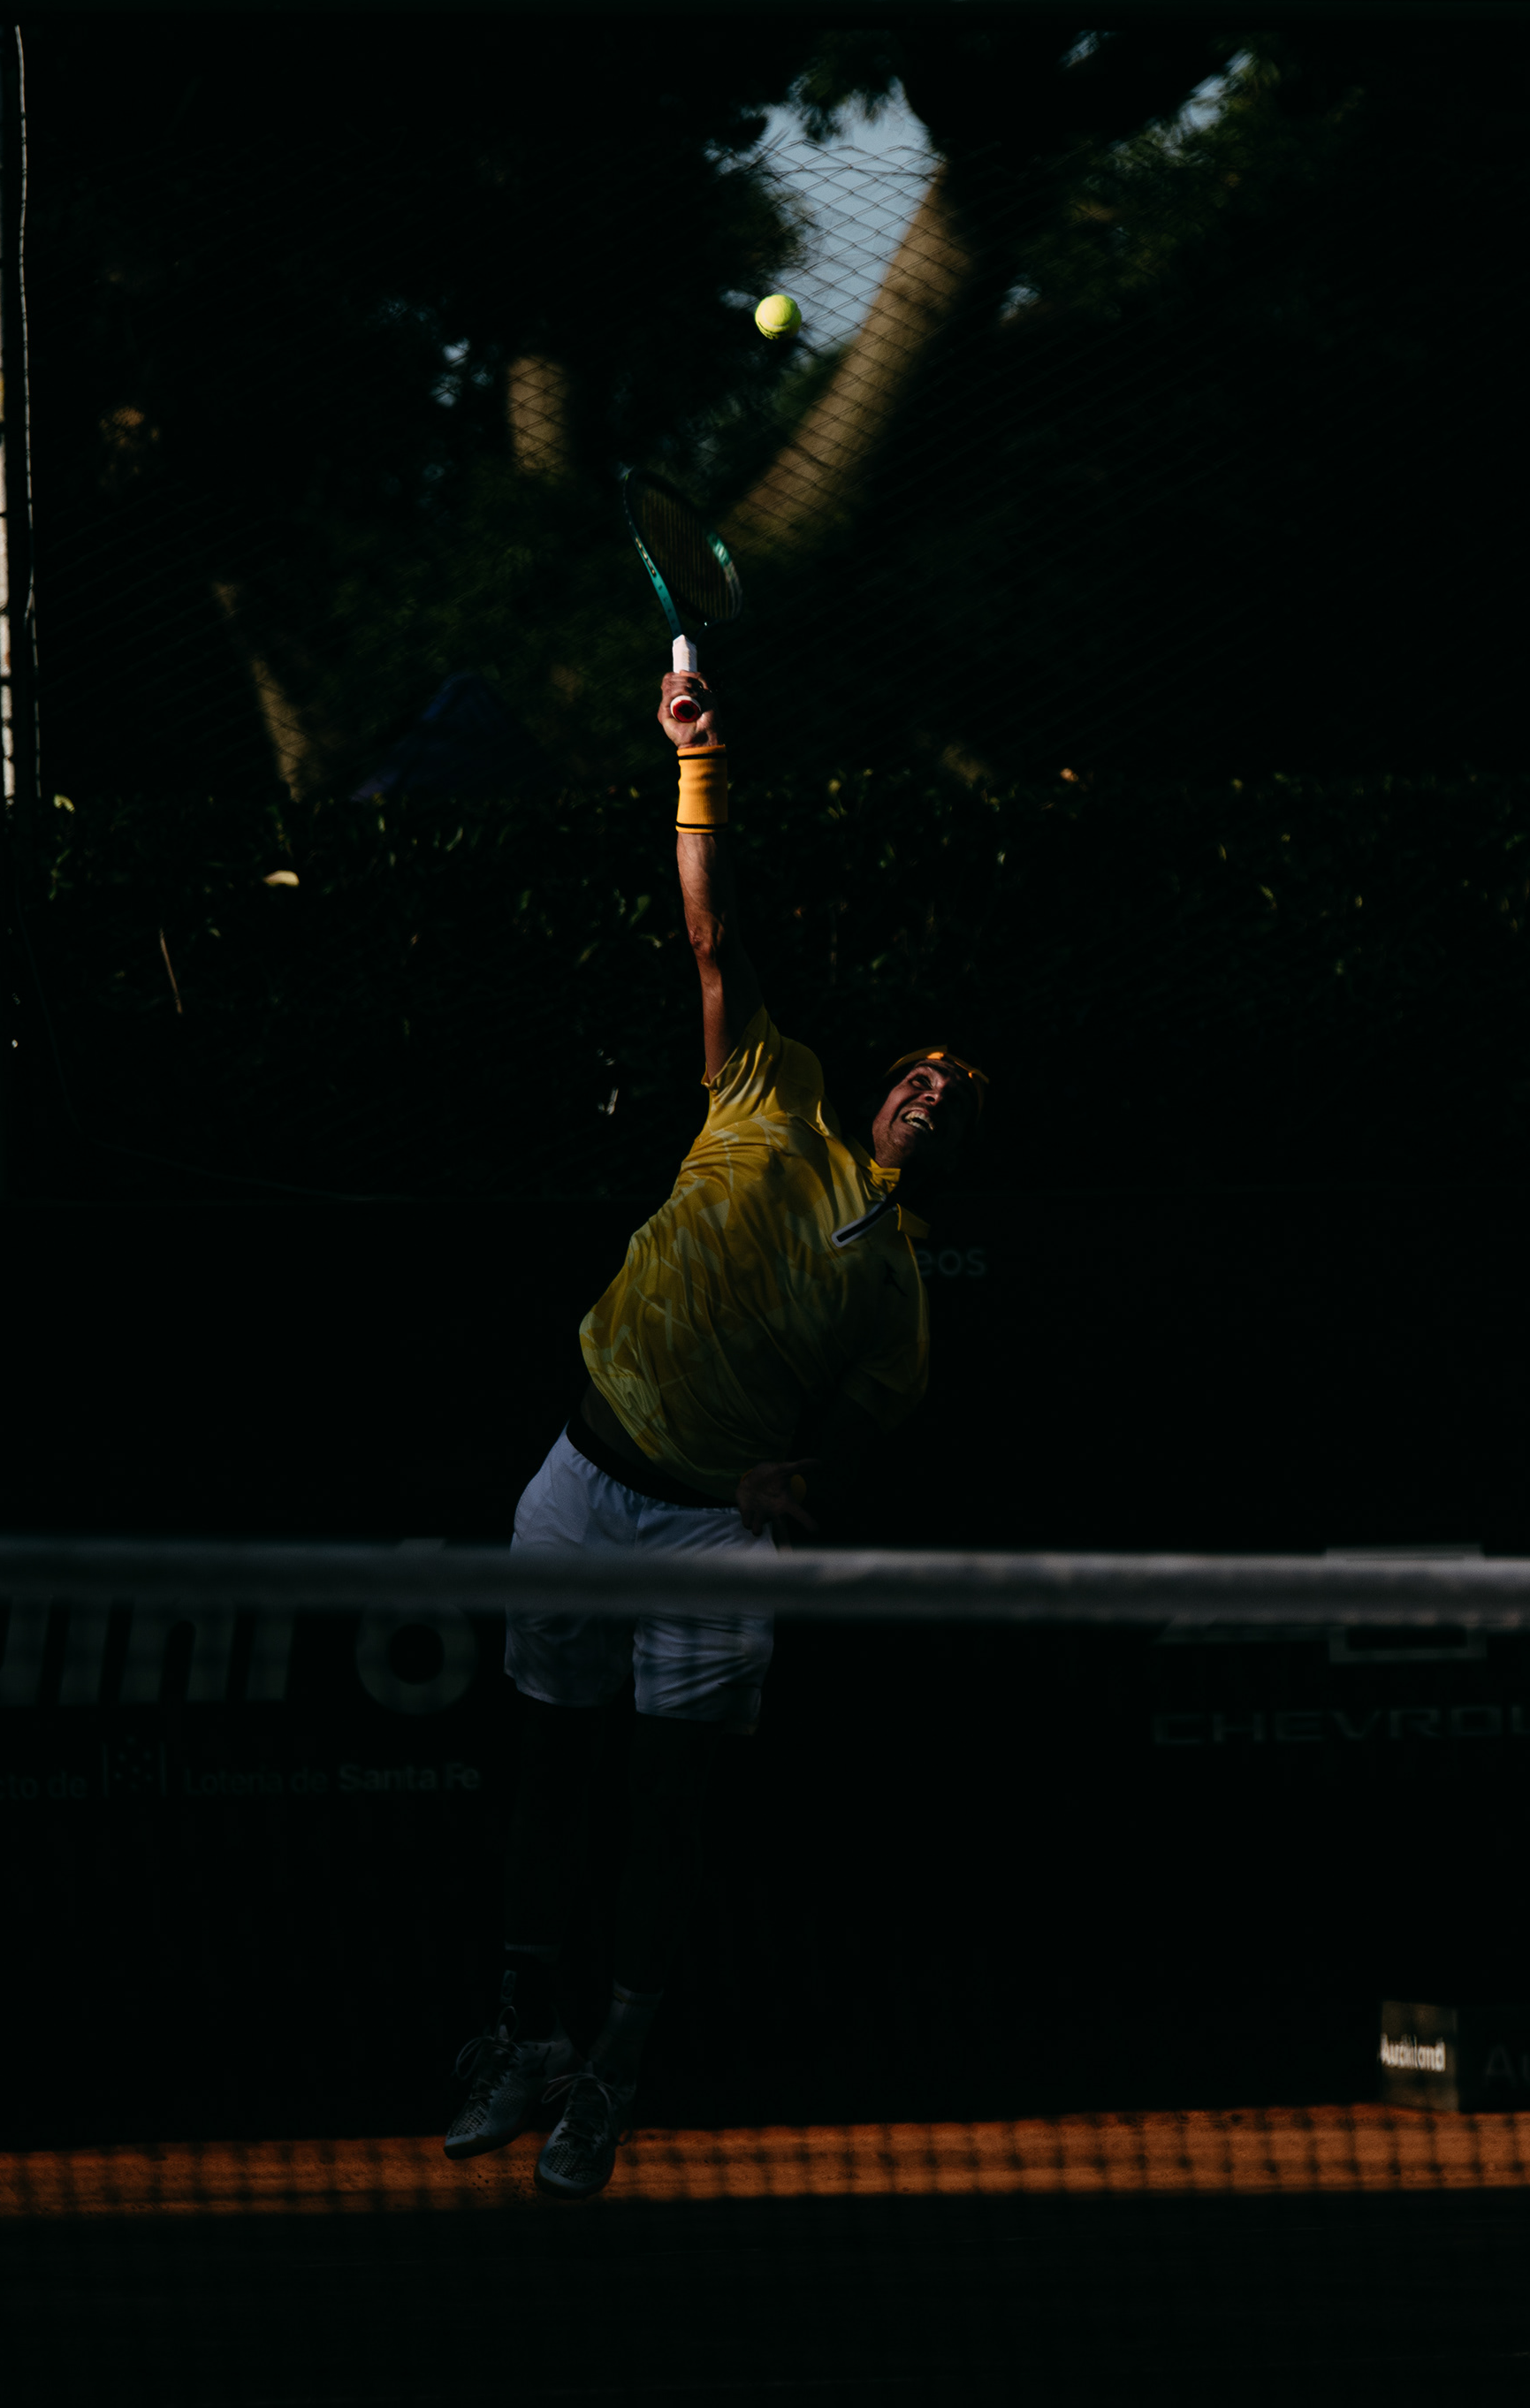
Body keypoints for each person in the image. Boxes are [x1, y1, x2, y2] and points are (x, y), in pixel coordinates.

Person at [444, 665, 987, 2200]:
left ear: (957, 1146)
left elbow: (851, 1451)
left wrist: (799, 1482)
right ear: (881, 1086)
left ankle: (613, 2071)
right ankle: (524, 2032)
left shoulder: (897, 1295)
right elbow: (713, 930)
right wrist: (700, 760)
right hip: (582, 1479)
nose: (932, 1091)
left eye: (957, 1097)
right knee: (551, 1764)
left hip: (707, 1534)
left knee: (665, 1811)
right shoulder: (769, 1087)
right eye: (922, 1072)